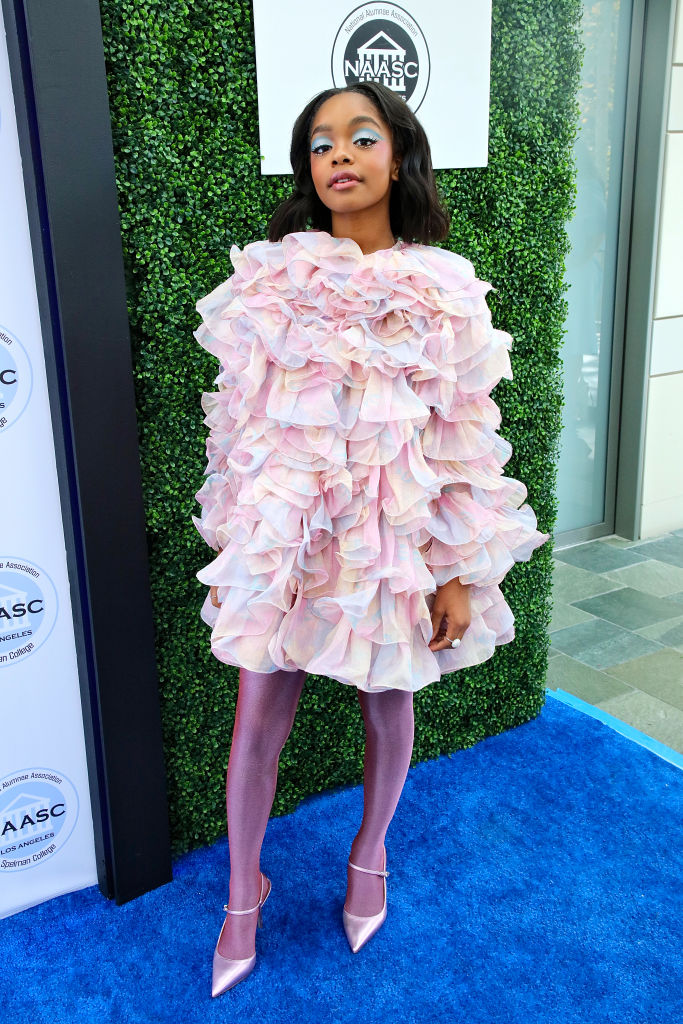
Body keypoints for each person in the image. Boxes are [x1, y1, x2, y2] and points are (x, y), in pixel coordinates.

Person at [192, 81, 549, 998]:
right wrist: (246, 538)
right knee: (255, 716)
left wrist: (459, 570)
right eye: (320, 143)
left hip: (390, 537)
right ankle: (242, 893)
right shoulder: (267, 279)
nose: (338, 155)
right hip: (288, 533)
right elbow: (238, 427)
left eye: (359, 138)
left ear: (399, 156)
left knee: (389, 696)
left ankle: (370, 851)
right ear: (307, 167)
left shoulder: (443, 288)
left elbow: (462, 439)